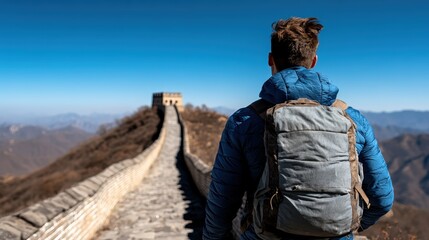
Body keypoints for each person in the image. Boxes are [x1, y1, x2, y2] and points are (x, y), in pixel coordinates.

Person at [203, 17, 394, 240]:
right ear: (313, 61)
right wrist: (348, 230)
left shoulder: (244, 121)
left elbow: (222, 201)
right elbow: (382, 198)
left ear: (270, 60)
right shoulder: (352, 120)